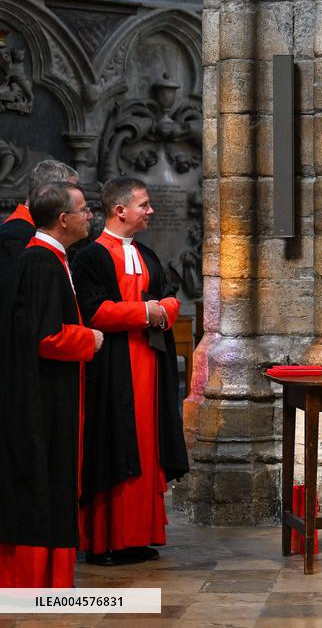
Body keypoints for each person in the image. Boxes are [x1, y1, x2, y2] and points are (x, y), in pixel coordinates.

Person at [71, 176, 189, 566]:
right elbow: (93, 312)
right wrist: (146, 312)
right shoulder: (89, 257)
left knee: (148, 449)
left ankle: (140, 537)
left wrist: (161, 310)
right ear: (120, 210)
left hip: (150, 368)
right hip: (110, 370)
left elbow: (170, 298)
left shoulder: (148, 254)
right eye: (144, 204)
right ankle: (106, 541)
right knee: (112, 448)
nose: (151, 210)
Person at [0, 182, 102, 587]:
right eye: (84, 209)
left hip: (52, 393)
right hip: (41, 399)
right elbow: (45, 337)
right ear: (63, 219)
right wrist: (88, 339)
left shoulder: (52, 258)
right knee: (42, 479)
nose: (89, 216)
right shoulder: (40, 263)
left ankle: (52, 579)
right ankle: (35, 581)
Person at [0, 160, 79, 284]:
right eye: (71, 196)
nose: (75, 203)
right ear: (48, 194)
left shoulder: (31, 232)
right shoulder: (15, 238)